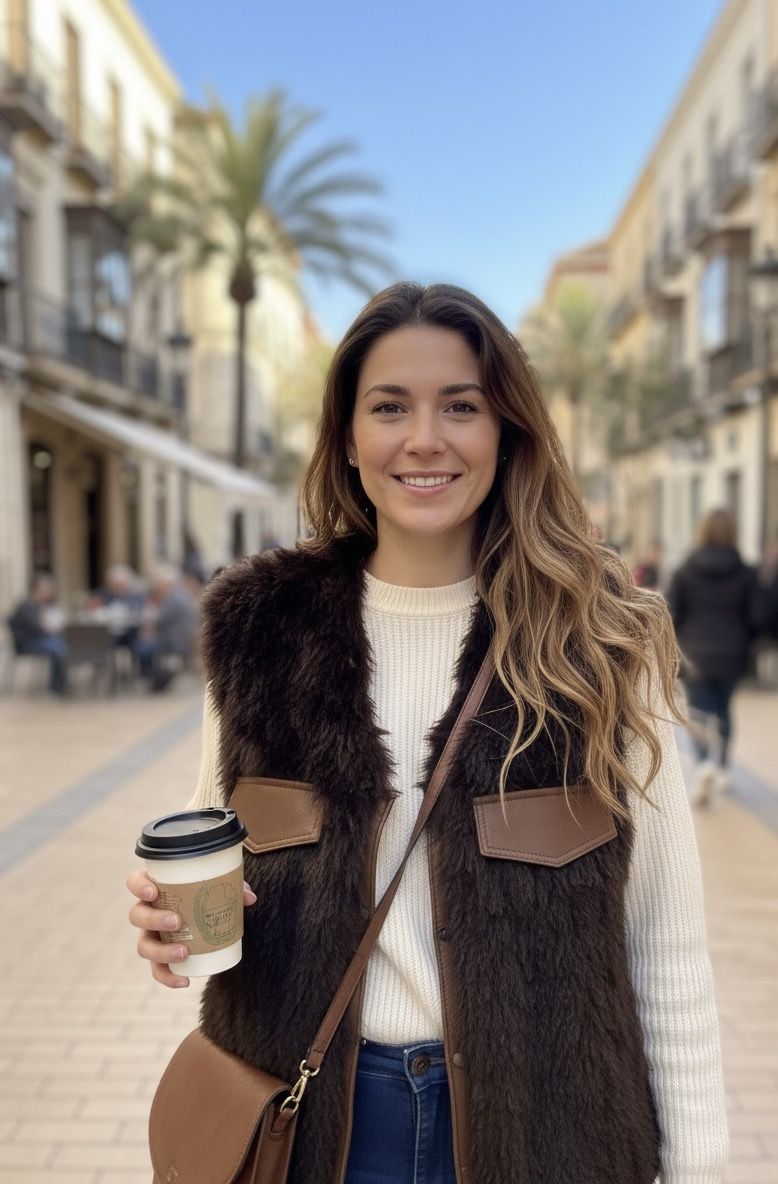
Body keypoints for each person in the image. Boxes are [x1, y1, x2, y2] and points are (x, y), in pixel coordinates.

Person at [127, 283, 728, 1184]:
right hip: (310, 1131)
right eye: (388, 407)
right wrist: (167, 922)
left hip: (546, 1136)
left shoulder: (600, 641)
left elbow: (666, 944)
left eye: (461, 406)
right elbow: (213, 842)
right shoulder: (259, 626)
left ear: (507, 431)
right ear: (347, 436)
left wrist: (702, 1167)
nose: (424, 439)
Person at [666, 508, 759, 807]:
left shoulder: (685, 571)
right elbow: (756, 616)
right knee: (723, 709)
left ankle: (703, 762)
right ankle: (722, 767)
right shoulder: (746, 573)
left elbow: (671, 613)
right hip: (733, 654)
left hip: (695, 655)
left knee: (699, 712)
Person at [133, 566, 198, 692]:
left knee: (141, 648)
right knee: (144, 645)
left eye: (159, 585)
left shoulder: (174, 599)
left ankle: (152, 680)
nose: (157, 588)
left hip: (172, 640)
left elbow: (158, 621)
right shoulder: (180, 596)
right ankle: (154, 680)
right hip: (180, 638)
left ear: (166, 584)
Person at [7, 573, 69, 695]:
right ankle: (56, 688)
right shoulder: (26, 606)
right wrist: (51, 629)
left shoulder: (41, 605)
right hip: (27, 644)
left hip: (40, 641)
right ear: (37, 590)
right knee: (57, 648)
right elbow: (37, 629)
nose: (49, 593)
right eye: (47, 590)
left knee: (61, 645)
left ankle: (62, 685)